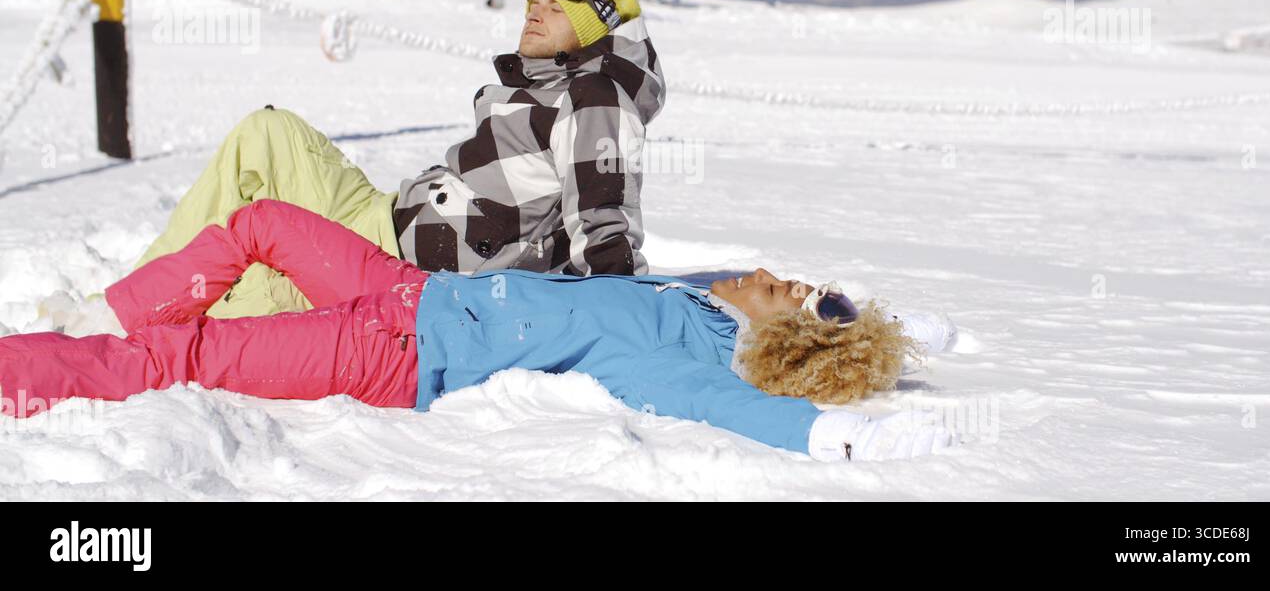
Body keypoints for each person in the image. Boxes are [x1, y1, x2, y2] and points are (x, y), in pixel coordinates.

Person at [0, 201, 955, 462]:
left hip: (396, 351)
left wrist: (836, 431)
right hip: (413, 288)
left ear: (786, 346)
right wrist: (875, 320)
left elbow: (715, 403)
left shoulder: (671, 354)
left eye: (807, 299)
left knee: (178, 358)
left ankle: (21, 369)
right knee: (265, 223)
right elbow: (747, 285)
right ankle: (102, 315)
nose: (789, 279)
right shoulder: (700, 297)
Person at [131, 0, 663, 320]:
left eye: (555, 8)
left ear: (593, 29)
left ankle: (124, 318)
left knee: (240, 297)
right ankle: (133, 290)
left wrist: (630, 317)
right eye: (532, 5)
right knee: (266, 133)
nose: (533, 12)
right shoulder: (546, 91)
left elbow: (602, 220)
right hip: (383, 214)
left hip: (392, 267)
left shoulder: (594, 97)